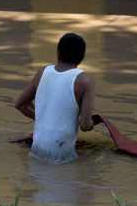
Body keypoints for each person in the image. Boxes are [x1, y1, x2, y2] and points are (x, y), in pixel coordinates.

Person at [14, 32, 96, 164]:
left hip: (36, 148)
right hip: (61, 152)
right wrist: (96, 121)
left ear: (58, 53)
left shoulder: (42, 73)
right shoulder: (85, 81)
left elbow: (20, 104)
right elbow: (85, 125)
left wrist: (45, 118)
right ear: (82, 57)